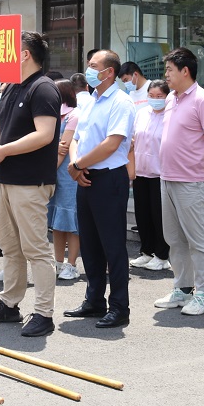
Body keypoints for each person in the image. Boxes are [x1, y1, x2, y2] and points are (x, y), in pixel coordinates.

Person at [0, 31, 61, 338]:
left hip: (30, 181)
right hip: (5, 177)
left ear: (25, 54)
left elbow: (44, 134)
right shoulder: (11, 86)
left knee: (35, 248)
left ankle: (44, 313)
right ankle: (9, 304)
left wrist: (4, 150)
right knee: (10, 246)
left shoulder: (44, 88)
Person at [65, 50, 136, 329]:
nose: (89, 70)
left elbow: (112, 143)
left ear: (109, 72)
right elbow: (76, 138)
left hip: (109, 178)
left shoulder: (121, 101)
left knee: (113, 245)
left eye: (94, 66)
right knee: (90, 243)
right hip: (85, 175)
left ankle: (119, 306)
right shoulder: (90, 100)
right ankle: (94, 300)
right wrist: (76, 165)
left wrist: (78, 164)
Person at [154, 47, 204, 316]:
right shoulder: (172, 98)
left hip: (192, 180)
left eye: (169, 70)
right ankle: (183, 289)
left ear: (185, 71)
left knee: (197, 239)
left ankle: (203, 295)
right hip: (168, 177)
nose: (166, 75)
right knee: (174, 238)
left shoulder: (202, 100)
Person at [128, 79, 171, 271]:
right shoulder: (142, 113)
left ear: (167, 97)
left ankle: (162, 255)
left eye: (159, 96)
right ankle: (146, 251)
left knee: (159, 216)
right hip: (141, 171)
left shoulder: (170, 116)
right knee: (142, 214)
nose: (155, 99)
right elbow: (133, 138)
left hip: (160, 173)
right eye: (151, 96)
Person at [48, 79, 82, 281]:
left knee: (71, 221)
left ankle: (72, 265)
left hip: (67, 176)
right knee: (57, 222)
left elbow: (64, 148)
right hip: (53, 174)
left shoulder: (74, 115)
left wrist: (47, 171)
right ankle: (59, 262)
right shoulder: (53, 114)